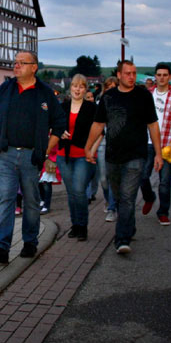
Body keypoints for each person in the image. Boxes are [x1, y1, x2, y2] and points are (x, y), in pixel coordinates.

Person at [0, 51, 66, 264]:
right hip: (5, 154)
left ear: (34, 67)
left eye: (22, 62)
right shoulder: (5, 89)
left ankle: (30, 242)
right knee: (7, 197)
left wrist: (45, 150)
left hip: (31, 156)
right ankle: (1, 247)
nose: (17, 65)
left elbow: (59, 124)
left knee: (31, 200)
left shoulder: (45, 93)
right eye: (16, 62)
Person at [85, 60, 162, 255]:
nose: (131, 77)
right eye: (128, 73)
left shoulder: (143, 96)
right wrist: (88, 147)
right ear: (119, 75)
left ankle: (121, 239)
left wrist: (158, 153)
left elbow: (153, 125)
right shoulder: (108, 97)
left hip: (136, 154)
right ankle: (129, 227)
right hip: (113, 155)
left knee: (127, 197)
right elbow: (98, 124)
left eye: (134, 73)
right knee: (119, 198)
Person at [141, 62, 171, 226]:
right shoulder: (147, 94)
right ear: (155, 76)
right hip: (147, 142)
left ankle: (163, 212)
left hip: (167, 144)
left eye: (165, 75)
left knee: (165, 181)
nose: (161, 78)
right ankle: (149, 197)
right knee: (142, 176)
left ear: (170, 77)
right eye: (159, 75)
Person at [57, 74, 100, 241]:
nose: (77, 89)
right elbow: (53, 127)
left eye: (81, 86)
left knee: (79, 190)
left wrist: (91, 152)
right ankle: (75, 224)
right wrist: (60, 133)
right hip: (64, 155)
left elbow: (100, 133)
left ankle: (82, 226)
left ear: (85, 89)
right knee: (71, 192)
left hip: (83, 155)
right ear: (70, 88)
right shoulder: (62, 107)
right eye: (75, 86)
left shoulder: (91, 108)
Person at [96, 76, 119, 222]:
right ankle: (108, 199)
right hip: (102, 144)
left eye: (114, 87)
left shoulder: (123, 103)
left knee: (113, 178)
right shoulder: (100, 104)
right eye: (108, 87)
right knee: (104, 179)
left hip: (117, 145)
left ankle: (112, 208)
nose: (111, 90)